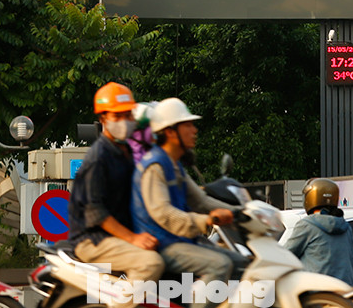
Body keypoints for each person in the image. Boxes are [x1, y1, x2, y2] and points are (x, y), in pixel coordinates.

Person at [131, 97, 248, 308]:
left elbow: (201, 201)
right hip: (161, 244)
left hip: (179, 240)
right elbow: (164, 214)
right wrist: (206, 220)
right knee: (219, 265)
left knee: (241, 263)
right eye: (187, 125)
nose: (194, 130)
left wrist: (243, 211)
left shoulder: (174, 165)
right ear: (170, 131)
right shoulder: (155, 166)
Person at [67, 83, 164, 308]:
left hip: (117, 235)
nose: (124, 121)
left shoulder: (127, 151)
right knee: (151, 263)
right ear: (103, 118)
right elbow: (95, 212)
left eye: (128, 115)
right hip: (93, 239)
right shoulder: (98, 158)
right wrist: (133, 239)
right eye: (117, 116)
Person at [282, 178, 353, 286]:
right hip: (345, 290)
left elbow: (286, 254)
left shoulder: (307, 225)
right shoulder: (346, 227)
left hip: (316, 291)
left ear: (310, 197)